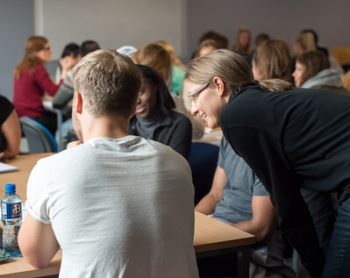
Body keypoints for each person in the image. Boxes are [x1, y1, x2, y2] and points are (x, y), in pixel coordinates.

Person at [18, 49, 198, 277]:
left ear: (79, 102)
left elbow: (36, 257)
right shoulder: (177, 163)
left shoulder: (52, 170)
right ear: (134, 105)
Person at [183, 49, 350, 277]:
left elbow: (286, 202)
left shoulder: (237, 116)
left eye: (194, 96)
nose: (193, 109)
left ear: (218, 85)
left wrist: (316, 266)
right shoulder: (256, 102)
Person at [13, 36, 74, 135]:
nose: (51, 51)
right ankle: (59, 149)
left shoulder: (21, 68)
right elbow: (55, 93)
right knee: (66, 119)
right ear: (37, 52)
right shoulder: (37, 69)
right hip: (34, 118)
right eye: (47, 48)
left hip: (22, 118)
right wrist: (65, 70)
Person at [129, 64, 192, 159]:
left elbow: (174, 167)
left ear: (155, 87)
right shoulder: (124, 125)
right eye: (130, 95)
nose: (136, 101)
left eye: (141, 92)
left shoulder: (179, 124)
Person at [52, 42, 81, 109]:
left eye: (72, 57)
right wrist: (65, 69)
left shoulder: (78, 69)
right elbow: (58, 90)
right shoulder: (62, 68)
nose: (67, 60)